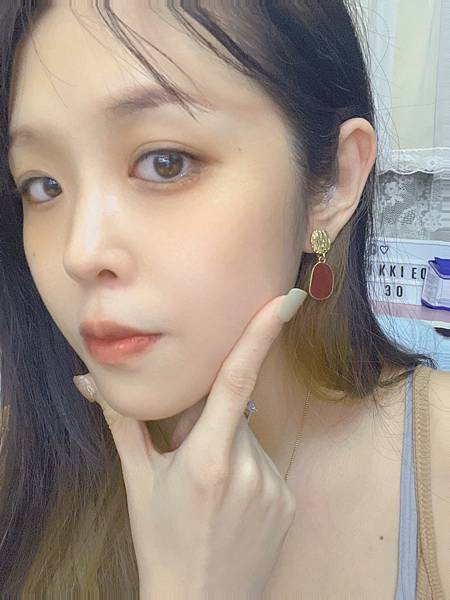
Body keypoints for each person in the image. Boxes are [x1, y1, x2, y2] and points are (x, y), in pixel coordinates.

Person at [0, 1, 448, 597]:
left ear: (334, 182)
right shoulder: (17, 463)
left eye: (165, 163)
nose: (79, 254)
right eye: (43, 185)